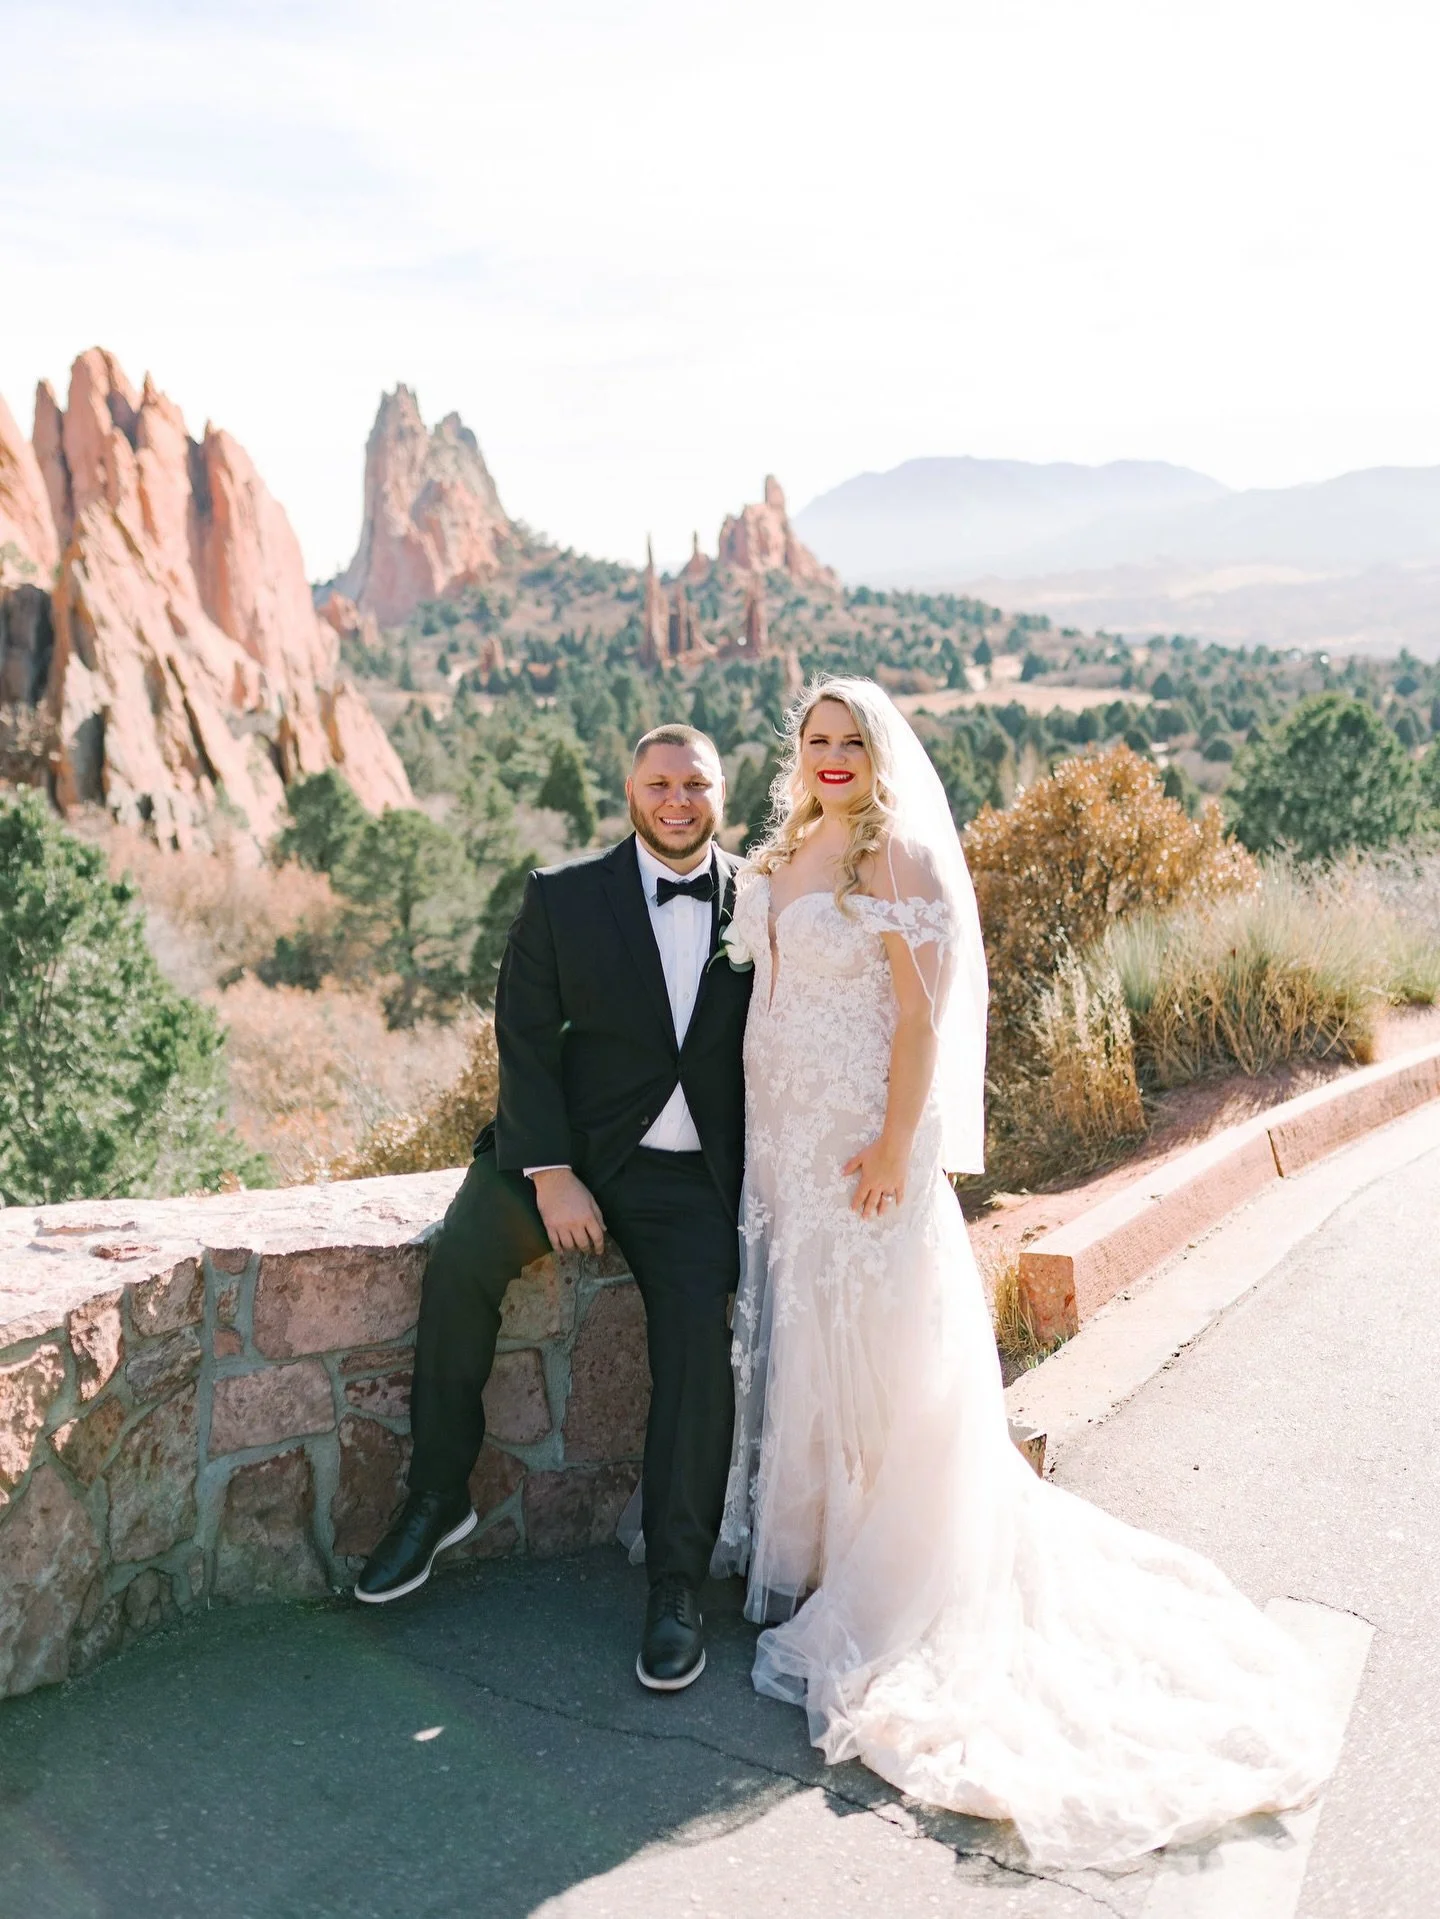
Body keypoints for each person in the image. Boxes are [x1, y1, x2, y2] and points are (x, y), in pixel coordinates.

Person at [712, 676, 1341, 1871]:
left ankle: (891, 1568)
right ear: (796, 754)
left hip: (863, 1149)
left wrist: (898, 1140)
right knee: (815, 1340)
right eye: (816, 740)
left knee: (881, 1345)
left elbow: (919, 1019)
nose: (834, 756)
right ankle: (829, 1548)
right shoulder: (790, 849)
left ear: (879, 753)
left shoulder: (894, 854)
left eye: (851, 740)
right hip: (787, 1153)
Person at [357, 724, 752, 1693]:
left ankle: (674, 1582)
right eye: (659, 781)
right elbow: (523, 1039)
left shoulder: (766, 901)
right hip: (573, 1155)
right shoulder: (562, 894)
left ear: (720, 791)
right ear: (629, 789)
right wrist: (548, 1171)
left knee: (699, 1345)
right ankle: (437, 1495)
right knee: (462, 1256)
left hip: (692, 1177)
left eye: (694, 783)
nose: (677, 799)